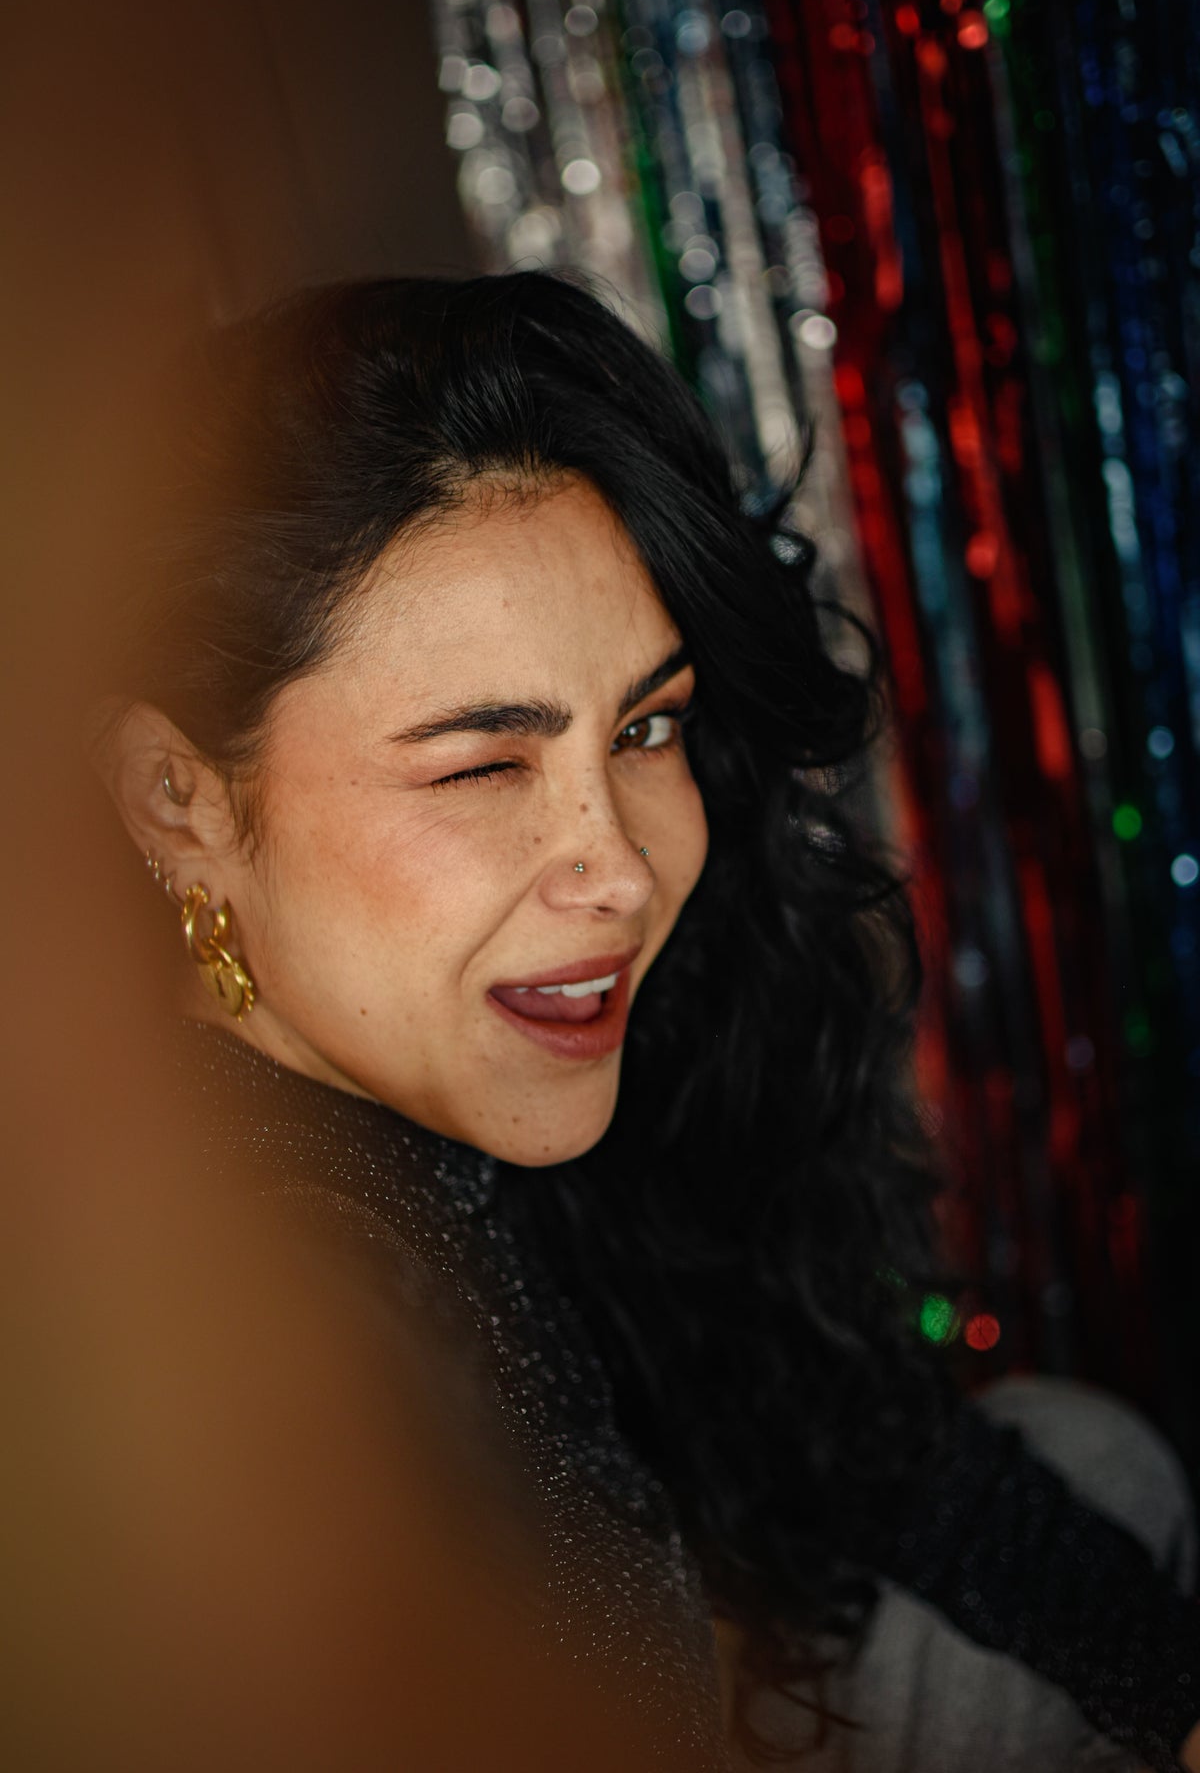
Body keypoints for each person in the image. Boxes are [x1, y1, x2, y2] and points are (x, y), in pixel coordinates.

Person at [96, 272, 1200, 1770]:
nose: (617, 864)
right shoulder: (250, 1349)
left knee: (1089, 1461)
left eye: (645, 727)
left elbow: (840, 1438)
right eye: (484, 765)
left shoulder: (469, 1082)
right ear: (178, 800)